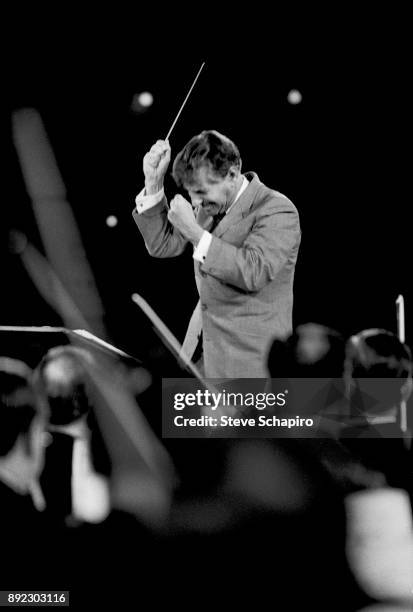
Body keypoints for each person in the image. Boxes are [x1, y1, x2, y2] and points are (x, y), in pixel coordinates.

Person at [133, 131, 301, 378]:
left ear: (233, 173)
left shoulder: (276, 209)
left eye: (201, 191)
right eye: (190, 191)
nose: (195, 201)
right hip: (201, 356)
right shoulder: (208, 206)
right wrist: (154, 183)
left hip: (250, 364)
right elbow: (162, 244)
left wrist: (194, 232)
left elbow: (253, 271)